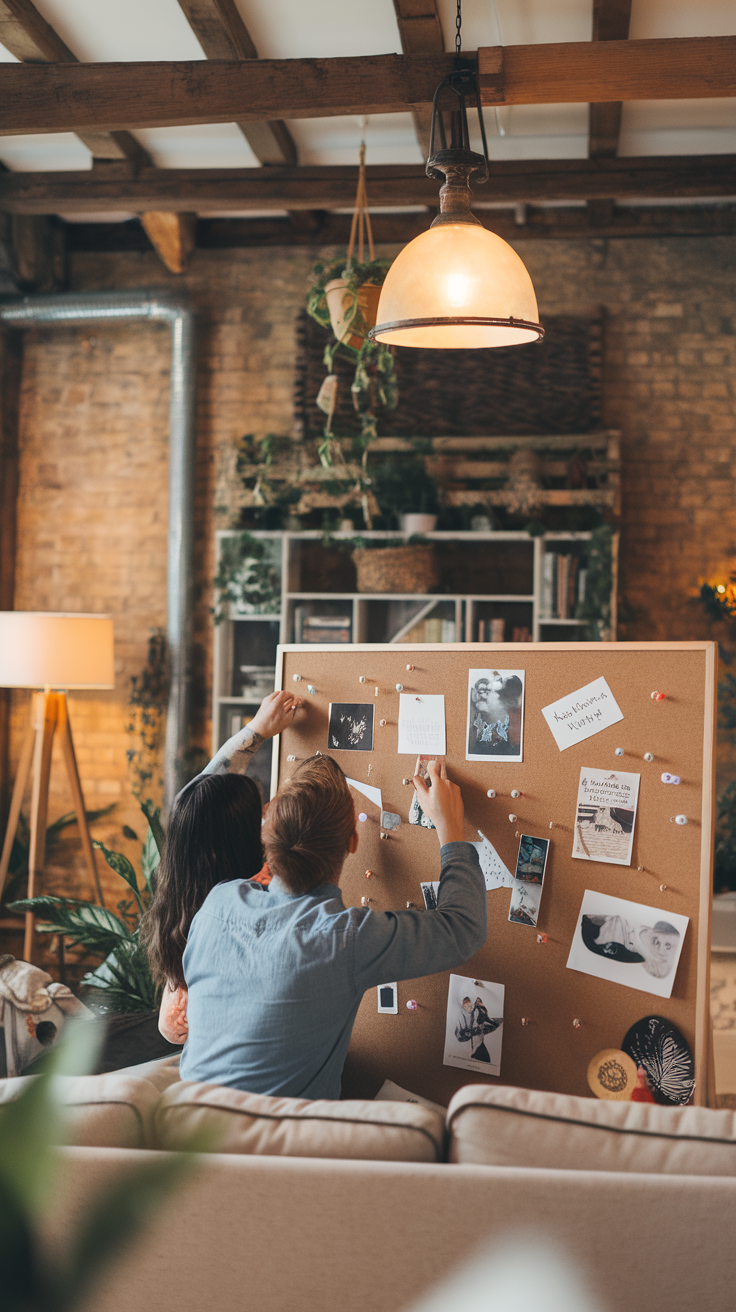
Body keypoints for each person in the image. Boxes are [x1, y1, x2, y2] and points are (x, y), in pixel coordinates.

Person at [179, 754, 487, 1099]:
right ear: (353, 842)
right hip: (279, 1145)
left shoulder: (217, 904)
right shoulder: (344, 939)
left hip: (188, 1128)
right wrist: (450, 829)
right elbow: (464, 927)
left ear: (268, 844)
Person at [141, 690, 302, 1044]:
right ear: (238, 849)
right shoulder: (257, 898)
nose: (264, 820)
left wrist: (257, 731)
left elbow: (197, 798)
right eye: (258, 819)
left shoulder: (185, 888)